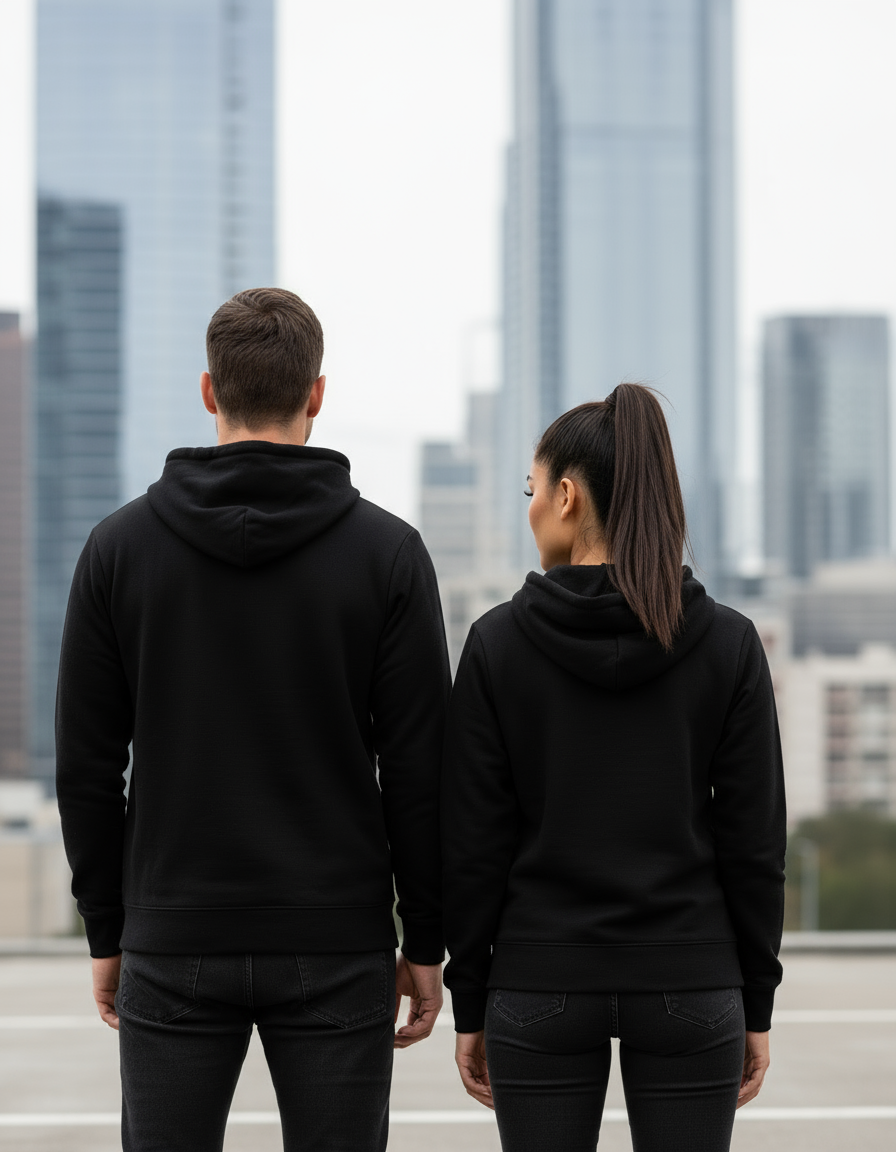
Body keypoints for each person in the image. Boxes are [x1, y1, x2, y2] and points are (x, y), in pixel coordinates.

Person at [55, 287, 450, 1152]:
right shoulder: (388, 554)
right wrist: (424, 936)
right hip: (337, 938)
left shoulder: (117, 549)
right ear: (316, 393)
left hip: (173, 931)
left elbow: (87, 767)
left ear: (208, 392)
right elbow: (421, 770)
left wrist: (107, 927)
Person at [442, 383, 786, 1152]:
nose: (527, 506)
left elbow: (470, 850)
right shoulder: (729, 644)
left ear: (566, 496)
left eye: (530, 489)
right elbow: (756, 848)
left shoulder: (496, 646)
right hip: (692, 980)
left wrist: (471, 1003)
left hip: (538, 981)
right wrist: (755, 1001)